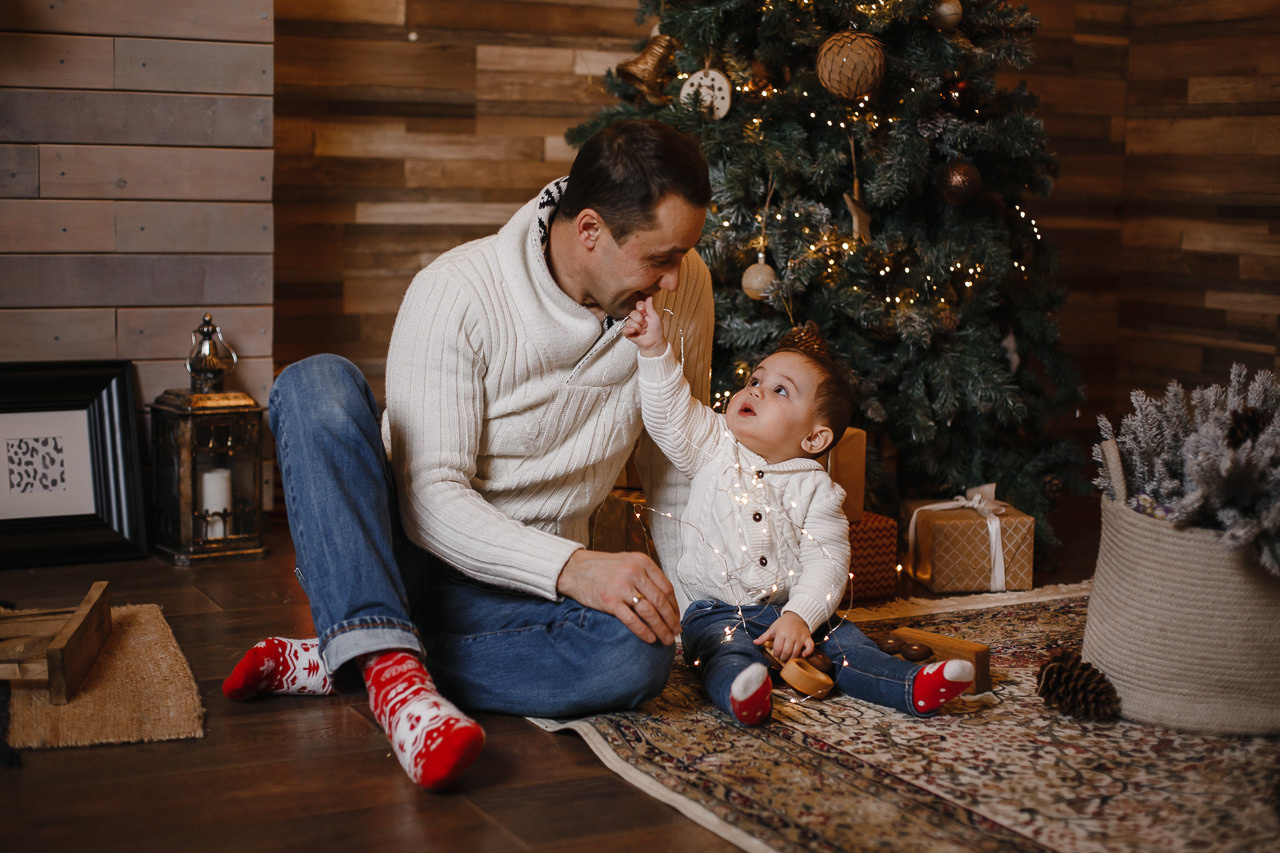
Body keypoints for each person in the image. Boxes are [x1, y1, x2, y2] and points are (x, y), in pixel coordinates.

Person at [221, 120, 715, 789]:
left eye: (685, 254)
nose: (675, 278)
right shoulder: (457, 291)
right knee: (315, 384)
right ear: (590, 231)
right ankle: (387, 659)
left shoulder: (684, 287)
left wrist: (703, 617)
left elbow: (676, 460)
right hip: (398, 558)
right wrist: (573, 567)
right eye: (660, 258)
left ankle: (366, 650)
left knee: (637, 653)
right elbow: (430, 500)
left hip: (518, 597)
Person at [622, 298, 974, 725]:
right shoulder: (714, 445)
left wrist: (800, 616)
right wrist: (654, 351)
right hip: (716, 611)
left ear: (814, 438)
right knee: (723, 652)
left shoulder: (817, 489)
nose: (755, 390)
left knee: (848, 645)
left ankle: (912, 685)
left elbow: (828, 561)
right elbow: (668, 415)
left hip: (792, 607)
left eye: (780, 390)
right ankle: (744, 693)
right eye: (755, 379)